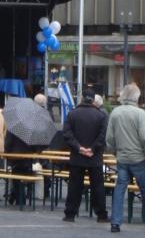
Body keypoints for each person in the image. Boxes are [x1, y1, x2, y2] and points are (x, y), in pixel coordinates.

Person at [106, 83, 145, 233]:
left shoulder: (115, 113)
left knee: (119, 189)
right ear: (137, 97)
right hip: (140, 158)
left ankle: (115, 222)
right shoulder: (140, 114)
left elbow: (109, 138)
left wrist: (115, 151)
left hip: (122, 158)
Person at [62, 87, 109, 223]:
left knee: (74, 186)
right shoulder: (101, 115)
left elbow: (67, 134)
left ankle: (70, 213)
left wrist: (79, 148)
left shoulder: (72, 114)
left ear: (82, 98)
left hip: (77, 157)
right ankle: (101, 214)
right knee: (98, 186)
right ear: (94, 99)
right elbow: (103, 136)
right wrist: (93, 149)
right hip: (95, 157)